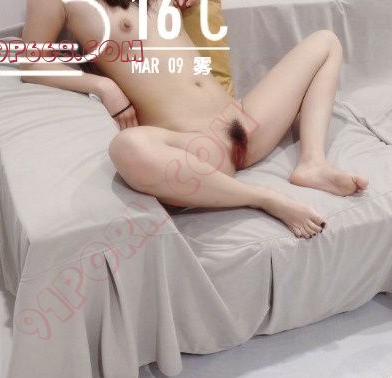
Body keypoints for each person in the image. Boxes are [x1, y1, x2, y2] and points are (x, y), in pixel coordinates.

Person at [22, 0, 368, 238]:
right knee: (127, 147)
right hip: (198, 148)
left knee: (325, 42)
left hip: (244, 120)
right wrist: (103, 85)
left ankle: (312, 162)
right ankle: (261, 197)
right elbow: (29, 62)